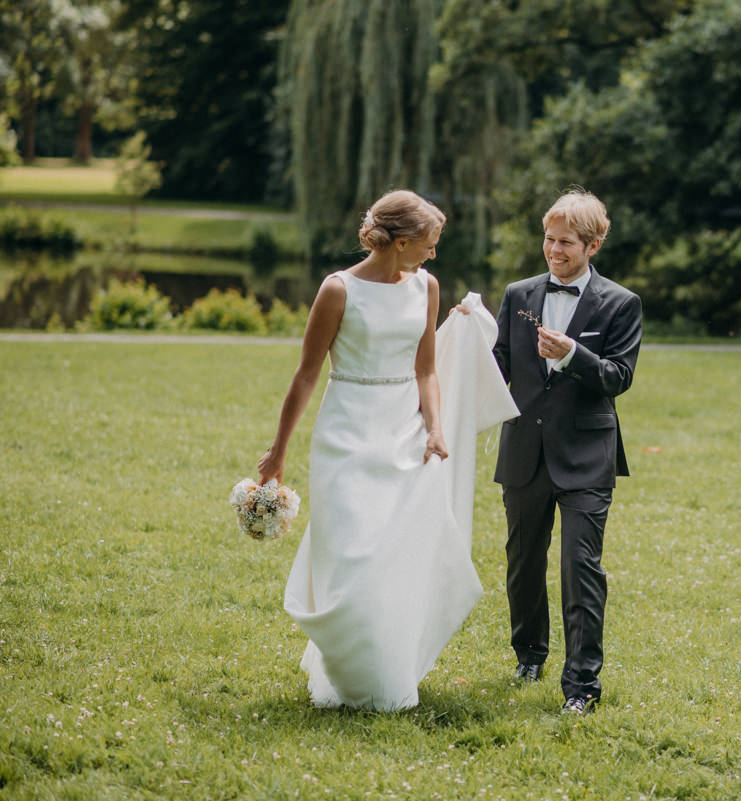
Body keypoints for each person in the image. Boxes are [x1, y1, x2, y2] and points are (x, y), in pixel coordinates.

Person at [257, 189, 489, 711]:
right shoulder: (338, 290)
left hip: (404, 433)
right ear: (401, 242)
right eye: (429, 243)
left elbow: (426, 370)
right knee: (350, 557)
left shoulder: (427, 286)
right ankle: (348, 670)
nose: (434, 253)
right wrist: (278, 451)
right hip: (345, 434)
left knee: (390, 558)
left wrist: (434, 429)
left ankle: (385, 674)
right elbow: (306, 375)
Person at [491, 189, 642, 714]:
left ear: (592, 245)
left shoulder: (621, 303)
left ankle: (581, 686)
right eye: (549, 240)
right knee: (523, 563)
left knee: (581, 569)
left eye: (566, 243)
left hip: (586, 455)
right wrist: (464, 339)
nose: (554, 250)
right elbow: (498, 364)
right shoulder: (518, 294)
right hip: (524, 452)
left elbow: (618, 377)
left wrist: (574, 354)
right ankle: (529, 653)